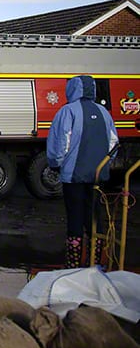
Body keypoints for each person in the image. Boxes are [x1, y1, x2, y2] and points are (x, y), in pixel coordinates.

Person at [46, 75, 118, 269]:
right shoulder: (104, 112)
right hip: (97, 176)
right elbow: (113, 144)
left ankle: (73, 264)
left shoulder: (67, 111)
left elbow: (61, 142)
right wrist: (105, 165)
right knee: (94, 217)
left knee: (75, 218)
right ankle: (95, 262)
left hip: (73, 176)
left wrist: (56, 163)